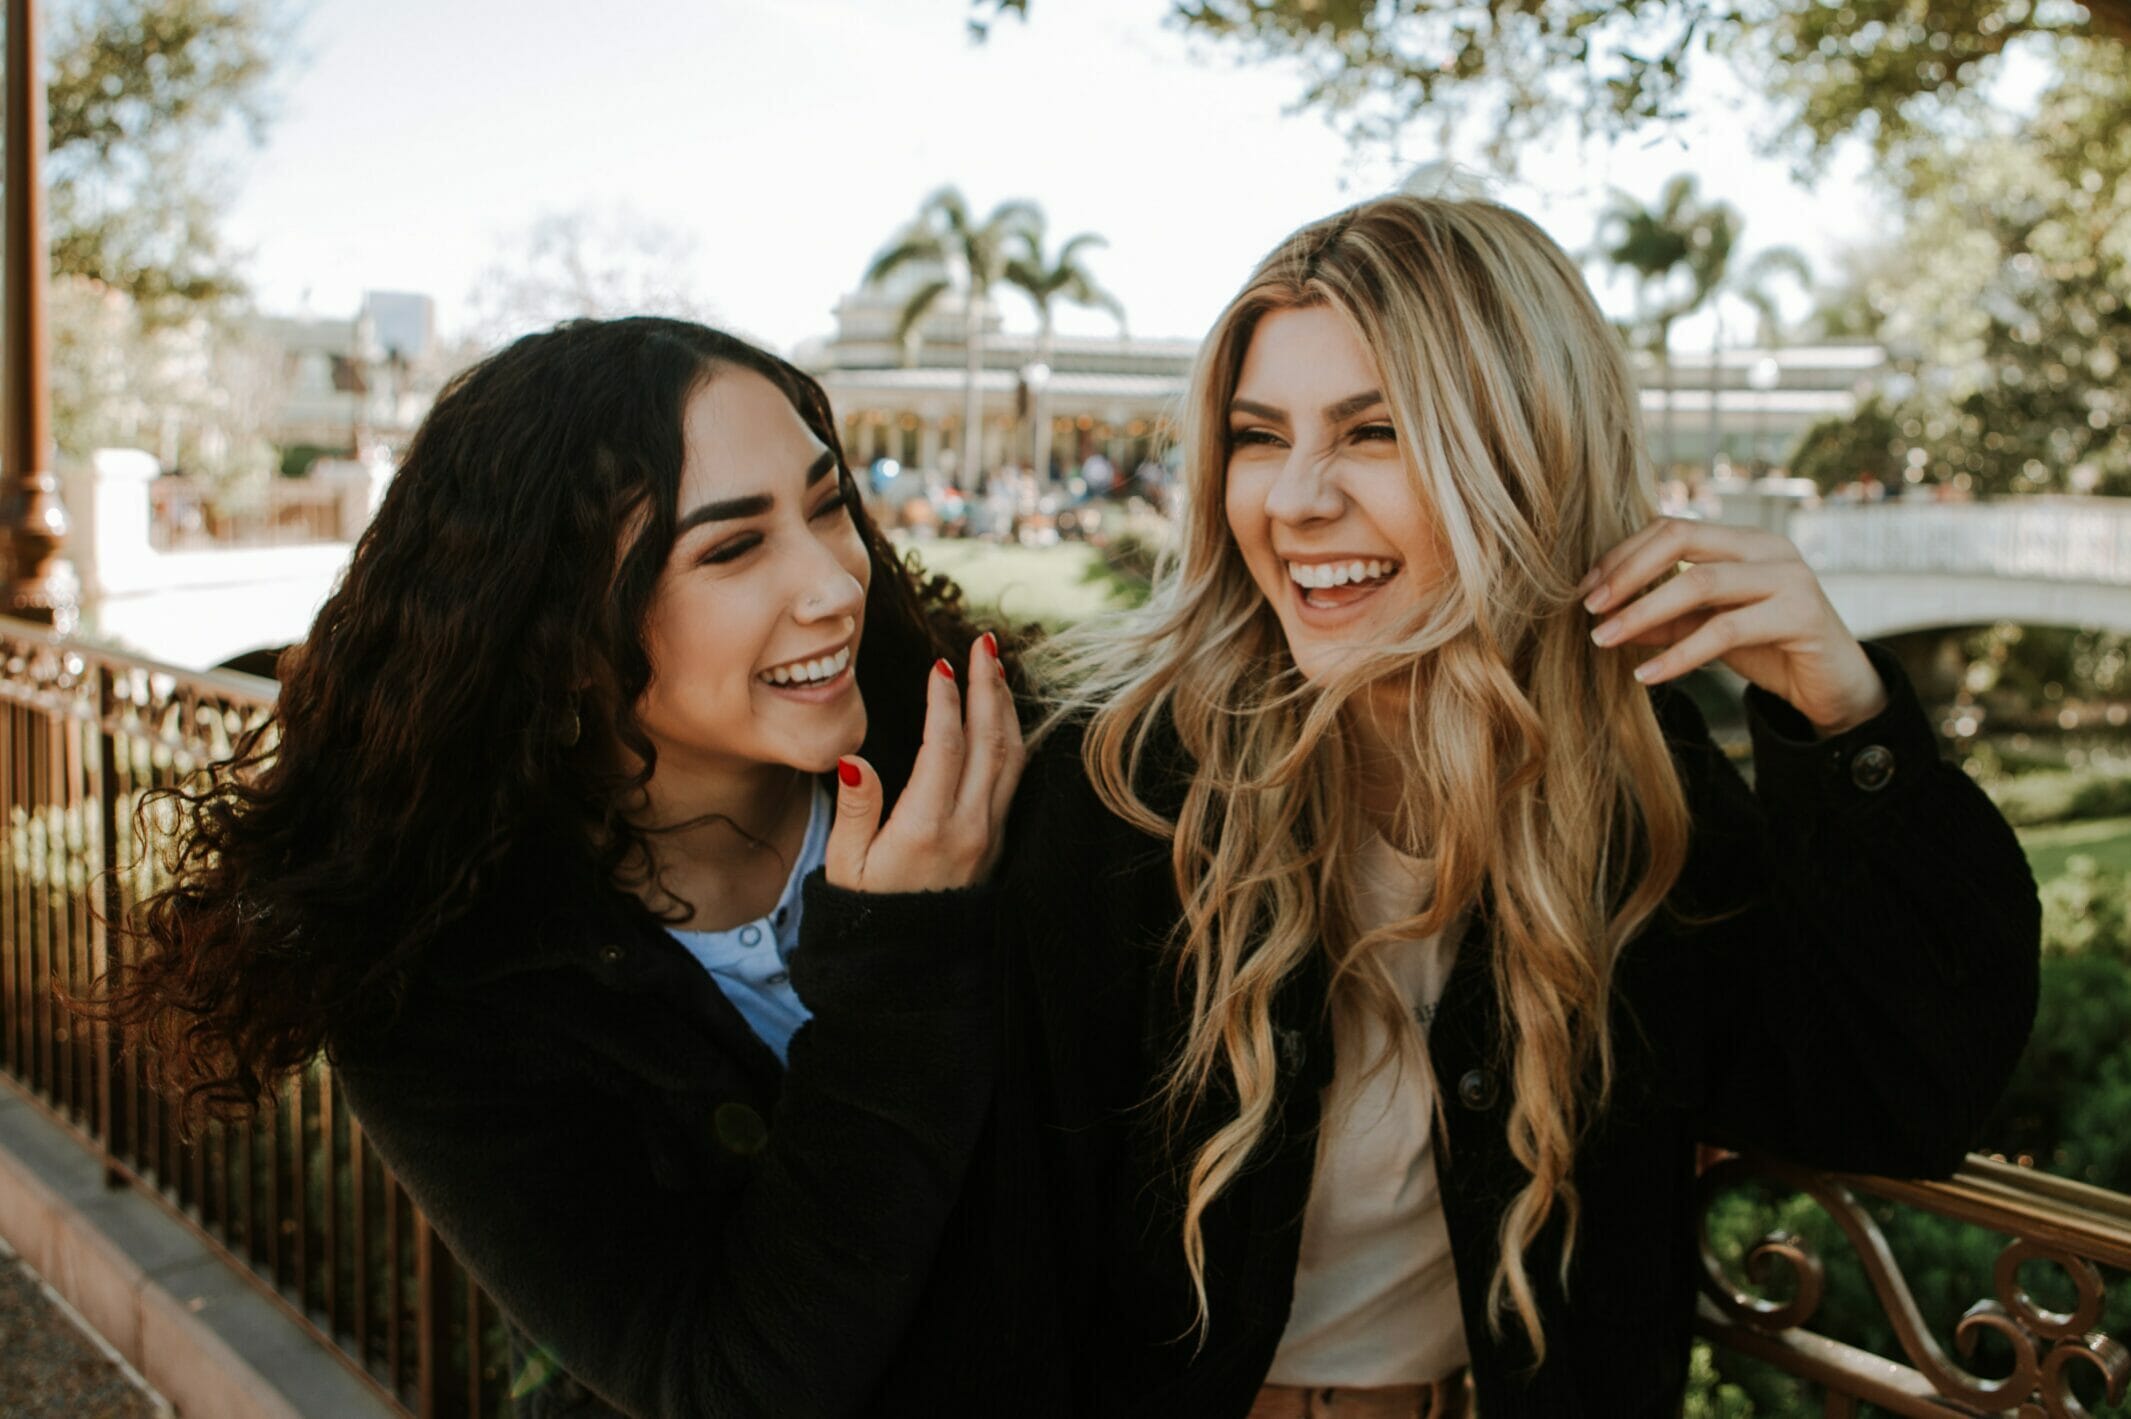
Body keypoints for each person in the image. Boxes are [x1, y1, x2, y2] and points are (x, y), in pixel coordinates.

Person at [969, 195, 2040, 1416]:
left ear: (1524, 451)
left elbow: (1894, 1097)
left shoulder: (1637, 780)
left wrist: (1850, 730)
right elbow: (1003, 1255)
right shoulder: (1121, 788)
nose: (1295, 500)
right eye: (1259, 437)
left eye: (1373, 431)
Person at [89, 317, 1024, 1417]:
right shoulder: (444, 989)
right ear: (559, 624)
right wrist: (900, 961)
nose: (832, 583)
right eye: (730, 548)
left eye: (827, 505)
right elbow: (727, 1382)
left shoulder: (987, 767)